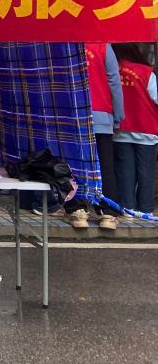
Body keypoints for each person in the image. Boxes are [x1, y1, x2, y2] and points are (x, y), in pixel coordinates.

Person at [67, 43, 124, 230]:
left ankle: (78, 211)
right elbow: (114, 82)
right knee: (105, 167)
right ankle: (108, 214)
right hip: (101, 115)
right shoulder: (103, 47)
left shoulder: (66, 43)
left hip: (73, 116)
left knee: (74, 167)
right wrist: (118, 116)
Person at [112, 43, 158, 215]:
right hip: (146, 129)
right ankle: (145, 209)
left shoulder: (114, 70)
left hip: (121, 129)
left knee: (125, 170)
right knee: (146, 172)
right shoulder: (146, 72)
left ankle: (127, 207)